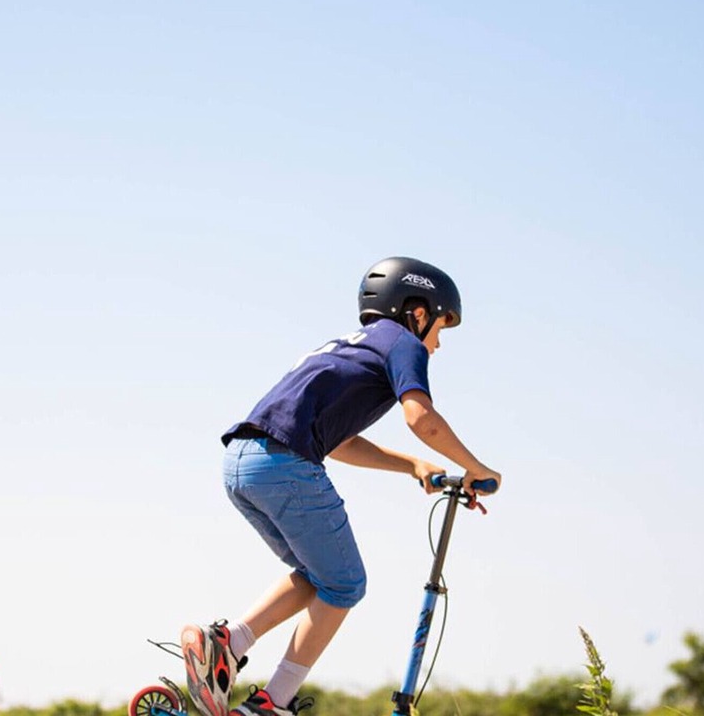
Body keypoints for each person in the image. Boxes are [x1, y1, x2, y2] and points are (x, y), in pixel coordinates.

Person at [180, 257, 502, 716]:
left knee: (320, 578)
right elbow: (421, 418)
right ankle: (272, 702)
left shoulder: (347, 346)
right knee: (346, 584)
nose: (437, 344)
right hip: (285, 464)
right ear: (416, 311)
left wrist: (412, 465)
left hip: (242, 463)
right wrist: (476, 467)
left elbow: (342, 443)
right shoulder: (402, 343)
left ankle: (227, 643)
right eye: (439, 328)